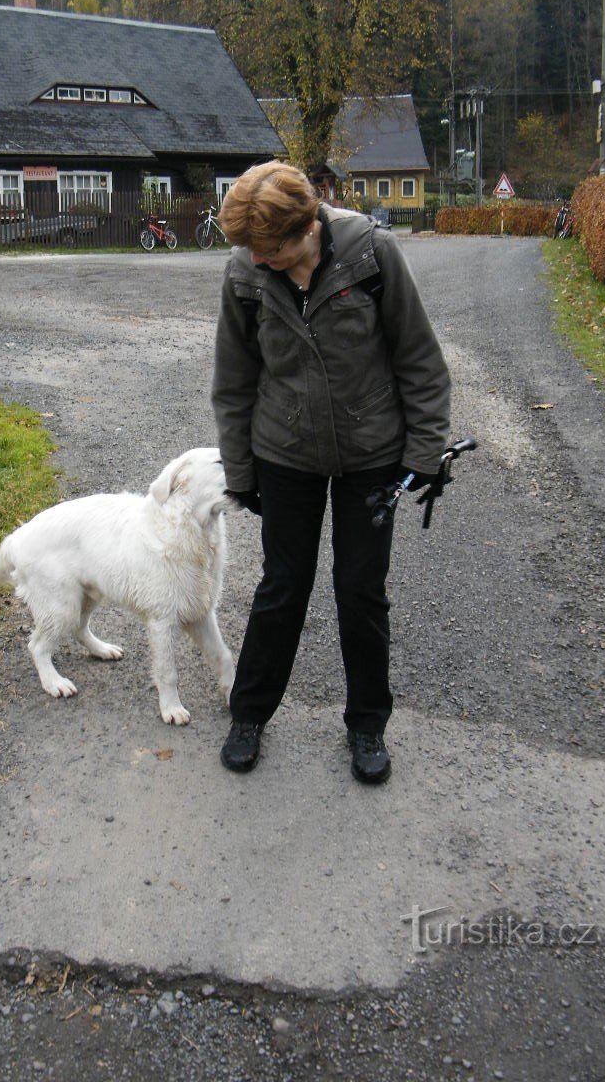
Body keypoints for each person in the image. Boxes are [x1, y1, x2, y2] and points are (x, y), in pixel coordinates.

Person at [211, 161, 450, 782]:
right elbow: (234, 383)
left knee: (361, 591)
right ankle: (250, 714)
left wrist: (424, 454)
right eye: (253, 252)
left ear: (309, 225)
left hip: (371, 455)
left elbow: (419, 360)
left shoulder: (373, 256)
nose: (261, 263)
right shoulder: (246, 271)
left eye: (273, 250)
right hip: (283, 452)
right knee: (282, 586)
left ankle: (367, 725)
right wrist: (241, 471)